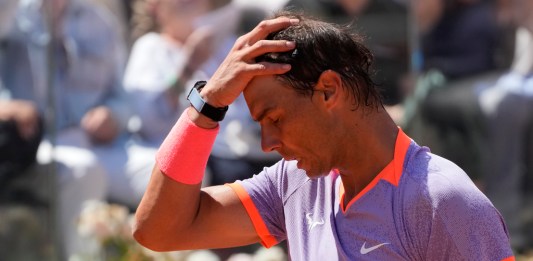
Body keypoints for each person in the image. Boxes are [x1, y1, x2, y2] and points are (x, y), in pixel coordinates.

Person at [133, 12, 514, 260]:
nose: (267, 143)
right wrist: (207, 106)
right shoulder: (293, 181)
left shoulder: (443, 201)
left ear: (329, 90)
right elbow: (159, 229)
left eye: (274, 117)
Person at [0, 0, 128, 258]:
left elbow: (123, 96)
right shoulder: (13, 11)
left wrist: (113, 115)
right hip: (39, 141)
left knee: (170, 171)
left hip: (100, 141)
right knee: (85, 171)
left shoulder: (100, 20)